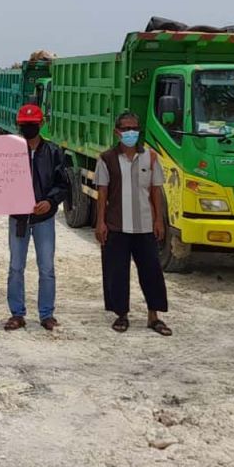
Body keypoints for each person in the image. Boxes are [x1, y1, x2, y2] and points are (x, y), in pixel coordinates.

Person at [95, 112, 172, 336]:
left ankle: (154, 315)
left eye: (134, 128)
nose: (131, 133)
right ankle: (121, 314)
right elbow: (102, 192)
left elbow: (156, 190)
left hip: (145, 225)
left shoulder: (151, 157)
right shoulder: (106, 159)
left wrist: (159, 219)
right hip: (117, 224)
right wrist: (100, 222)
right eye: (126, 128)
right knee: (116, 271)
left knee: (152, 271)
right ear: (117, 131)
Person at [5, 104, 71, 332]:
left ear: (41, 124)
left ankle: (46, 314)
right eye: (24, 125)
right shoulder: (10, 151)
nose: (28, 128)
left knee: (46, 267)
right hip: (18, 218)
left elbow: (63, 184)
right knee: (15, 266)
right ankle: (17, 313)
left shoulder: (53, 152)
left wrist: (50, 202)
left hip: (44, 219)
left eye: (32, 125)